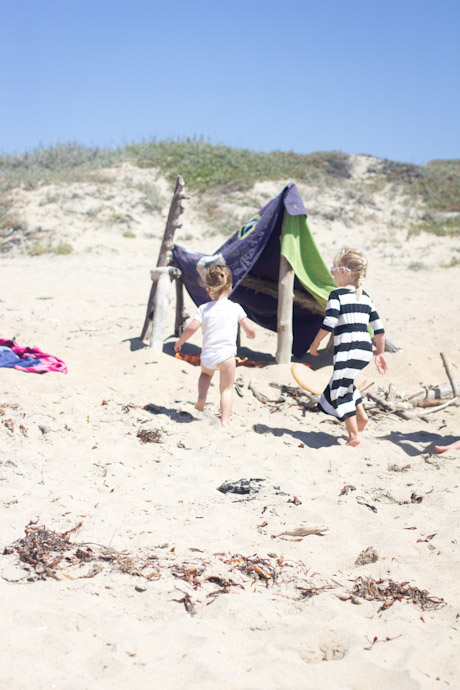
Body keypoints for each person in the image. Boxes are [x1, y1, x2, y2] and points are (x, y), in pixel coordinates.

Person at [309, 248, 388, 446]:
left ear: (343, 272)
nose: (332, 274)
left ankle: (353, 435)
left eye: (333, 270)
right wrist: (379, 353)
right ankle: (361, 416)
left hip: (347, 348)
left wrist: (315, 342)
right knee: (346, 383)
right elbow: (379, 330)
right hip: (364, 349)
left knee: (338, 390)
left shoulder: (337, 295)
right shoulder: (366, 297)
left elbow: (329, 323)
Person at [174, 265, 255, 426]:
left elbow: (191, 327)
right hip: (227, 356)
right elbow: (250, 329)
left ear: (208, 289)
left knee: (205, 375)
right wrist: (250, 335)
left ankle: (201, 398)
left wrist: (180, 342)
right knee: (226, 389)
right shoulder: (235, 308)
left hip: (208, 355)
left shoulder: (204, 309)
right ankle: (225, 421)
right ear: (230, 287)